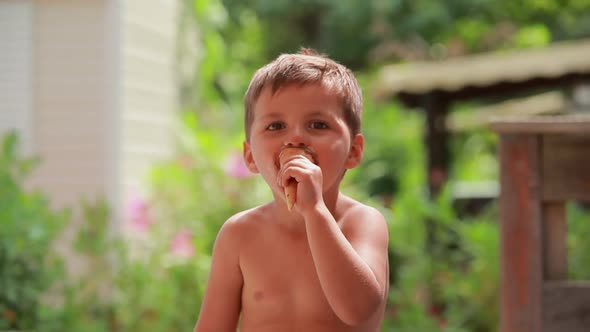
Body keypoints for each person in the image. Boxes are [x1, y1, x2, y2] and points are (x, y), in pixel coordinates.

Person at [194, 48, 390, 332]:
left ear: (353, 151)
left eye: (318, 124)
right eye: (275, 126)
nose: (295, 137)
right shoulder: (239, 235)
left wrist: (315, 211)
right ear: (250, 157)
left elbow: (358, 309)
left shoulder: (363, 223)